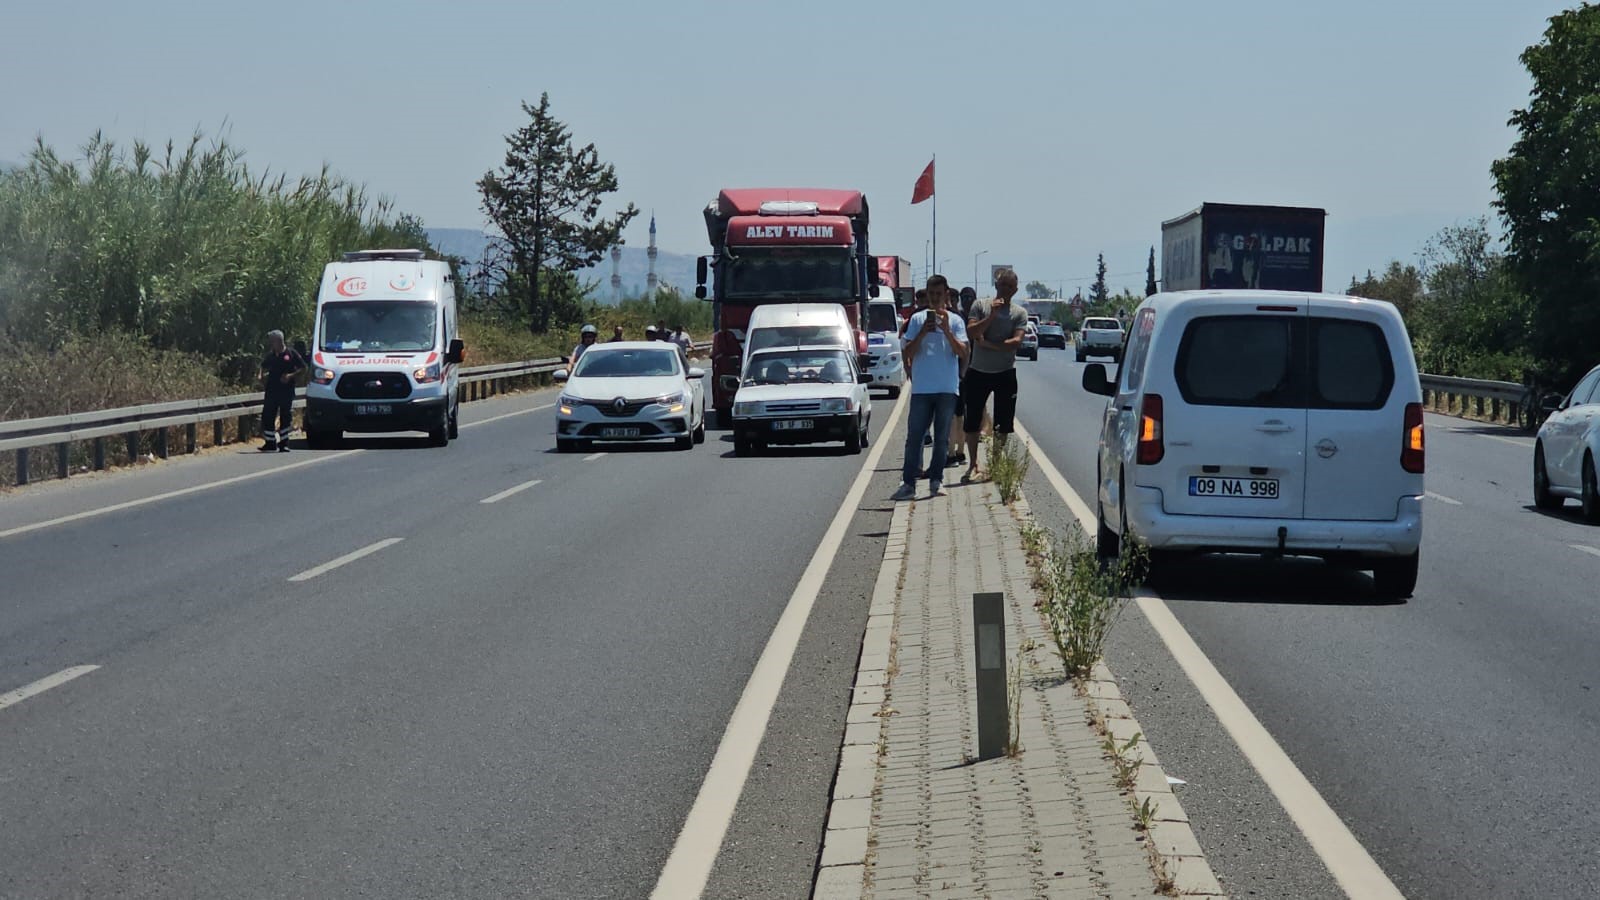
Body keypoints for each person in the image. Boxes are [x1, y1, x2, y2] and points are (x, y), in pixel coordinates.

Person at [893, 275, 968, 501]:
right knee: (914, 436)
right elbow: (908, 353)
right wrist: (923, 332)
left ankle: (936, 481)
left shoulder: (955, 321)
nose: (934, 299)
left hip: (947, 387)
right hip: (922, 389)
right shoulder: (916, 320)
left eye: (939, 294)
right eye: (931, 294)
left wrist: (946, 330)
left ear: (946, 295)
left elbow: (962, 352)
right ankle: (909, 484)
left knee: (942, 438)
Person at [962, 268, 1029, 482]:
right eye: (1003, 285)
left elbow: (1016, 343)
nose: (1006, 289)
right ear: (996, 286)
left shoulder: (1019, 313)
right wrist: (991, 315)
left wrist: (988, 344)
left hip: (1005, 373)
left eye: (1010, 286)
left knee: (1003, 423)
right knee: (971, 420)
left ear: (1016, 289)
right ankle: (973, 463)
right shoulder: (980, 306)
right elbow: (972, 332)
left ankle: (997, 464)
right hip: (978, 371)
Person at [259, 330, 305, 453]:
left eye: (272, 341)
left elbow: (302, 368)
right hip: (272, 391)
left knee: (285, 416)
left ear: (278, 341)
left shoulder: (291, 354)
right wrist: (261, 375)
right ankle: (270, 442)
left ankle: (284, 443)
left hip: (286, 391)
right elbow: (263, 366)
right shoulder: (272, 355)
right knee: (268, 416)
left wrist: (290, 376)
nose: (271, 343)